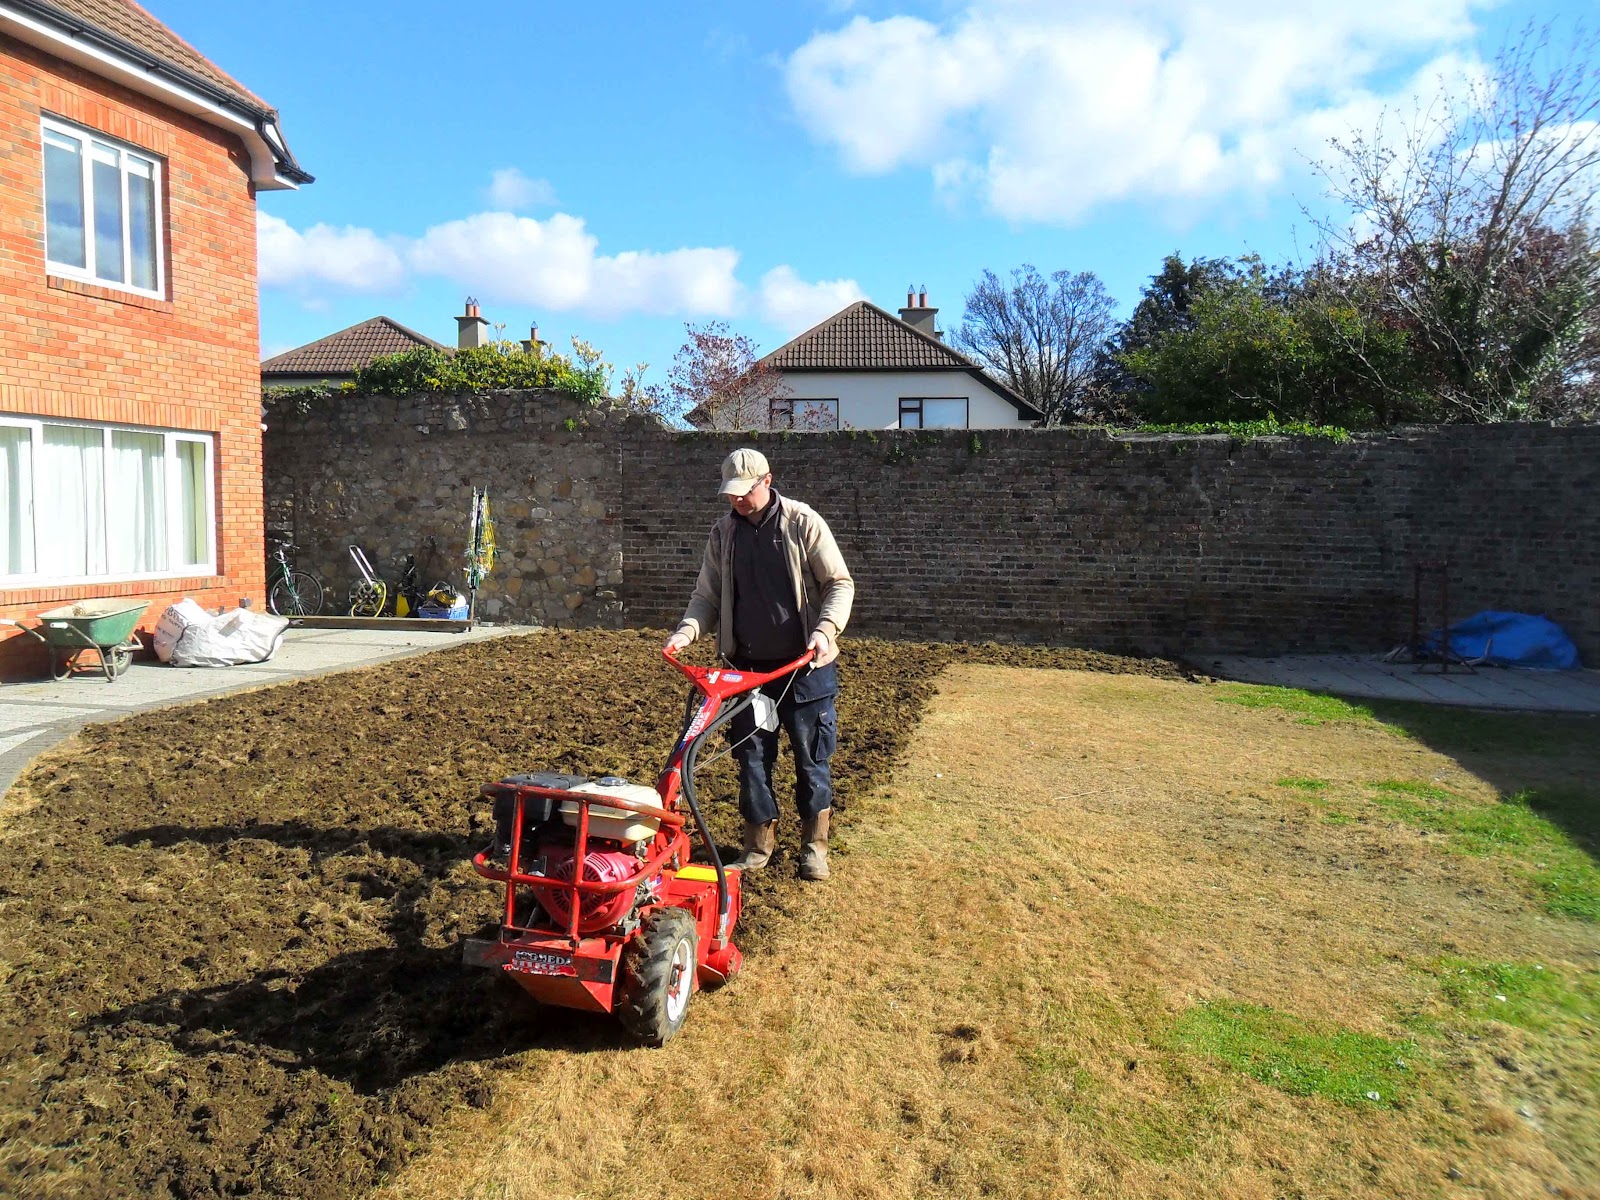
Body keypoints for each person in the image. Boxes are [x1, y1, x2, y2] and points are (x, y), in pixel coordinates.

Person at [664, 448, 854, 881]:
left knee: (811, 759)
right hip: (747, 672)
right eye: (730, 495)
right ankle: (756, 845)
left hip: (805, 668)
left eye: (743, 493)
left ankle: (813, 847)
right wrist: (686, 631)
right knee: (751, 758)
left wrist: (825, 631)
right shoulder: (724, 534)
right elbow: (706, 597)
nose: (736, 502)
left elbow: (838, 584)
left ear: (766, 481)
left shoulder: (802, 523)